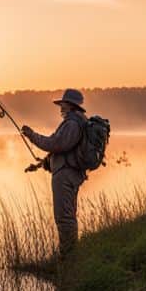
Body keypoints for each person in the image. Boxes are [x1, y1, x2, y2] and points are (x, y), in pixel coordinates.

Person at [20, 89, 88, 257]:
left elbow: (55, 144)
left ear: (70, 105)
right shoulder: (76, 122)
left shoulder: (72, 124)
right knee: (67, 215)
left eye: (63, 104)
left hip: (65, 176)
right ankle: (70, 254)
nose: (60, 107)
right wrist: (42, 164)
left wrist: (32, 135)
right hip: (68, 173)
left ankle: (68, 257)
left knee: (64, 217)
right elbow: (61, 150)